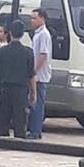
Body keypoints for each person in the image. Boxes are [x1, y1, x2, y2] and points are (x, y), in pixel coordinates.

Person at [0, 20, 36, 138]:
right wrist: (34, 92)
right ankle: (19, 140)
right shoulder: (28, 52)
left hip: (5, 89)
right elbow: (31, 75)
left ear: (10, 33)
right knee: (20, 120)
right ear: (23, 34)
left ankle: (3, 140)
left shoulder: (2, 51)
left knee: (3, 118)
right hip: (21, 90)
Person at [27, 8, 53, 140]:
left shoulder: (44, 34)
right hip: (36, 75)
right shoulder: (37, 34)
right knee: (33, 103)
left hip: (40, 76)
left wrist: (33, 71)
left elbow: (43, 55)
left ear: (42, 19)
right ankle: (34, 129)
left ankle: (35, 132)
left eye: (34, 18)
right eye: (31, 18)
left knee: (37, 104)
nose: (32, 21)